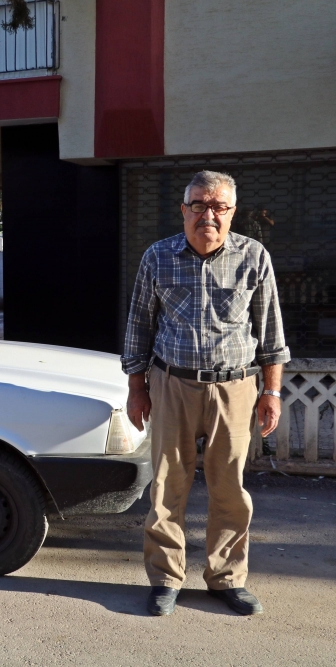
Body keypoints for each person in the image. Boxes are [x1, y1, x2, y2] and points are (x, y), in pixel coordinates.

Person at [121, 170, 290, 617]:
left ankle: (226, 578)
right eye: (198, 204)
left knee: (230, 488)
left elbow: (272, 333)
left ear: (233, 212)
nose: (208, 215)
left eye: (219, 206)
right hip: (171, 384)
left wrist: (271, 391)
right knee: (166, 487)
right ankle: (165, 579)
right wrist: (137, 387)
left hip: (235, 387)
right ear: (184, 210)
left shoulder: (254, 257)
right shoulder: (157, 258)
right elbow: (138, 326)